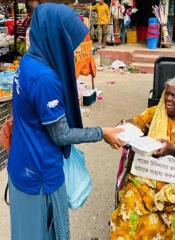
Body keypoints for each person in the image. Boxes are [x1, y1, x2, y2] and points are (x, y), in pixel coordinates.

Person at [8, 4, 123, 240]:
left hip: (21, 167)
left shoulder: (28, 62)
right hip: (41, 175)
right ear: (56, 37)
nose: (72, 49)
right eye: (70, 41)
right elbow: (60, 135)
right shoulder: (44, 79)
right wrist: (103, 132)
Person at [110, 78, 175, 239]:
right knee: (126, 211)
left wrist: (172, 150)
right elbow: (136, 123)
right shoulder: (155, 112)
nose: (168, 99)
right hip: (145, 180)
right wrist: (125, 126)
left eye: (174, 95)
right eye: (167, 94)